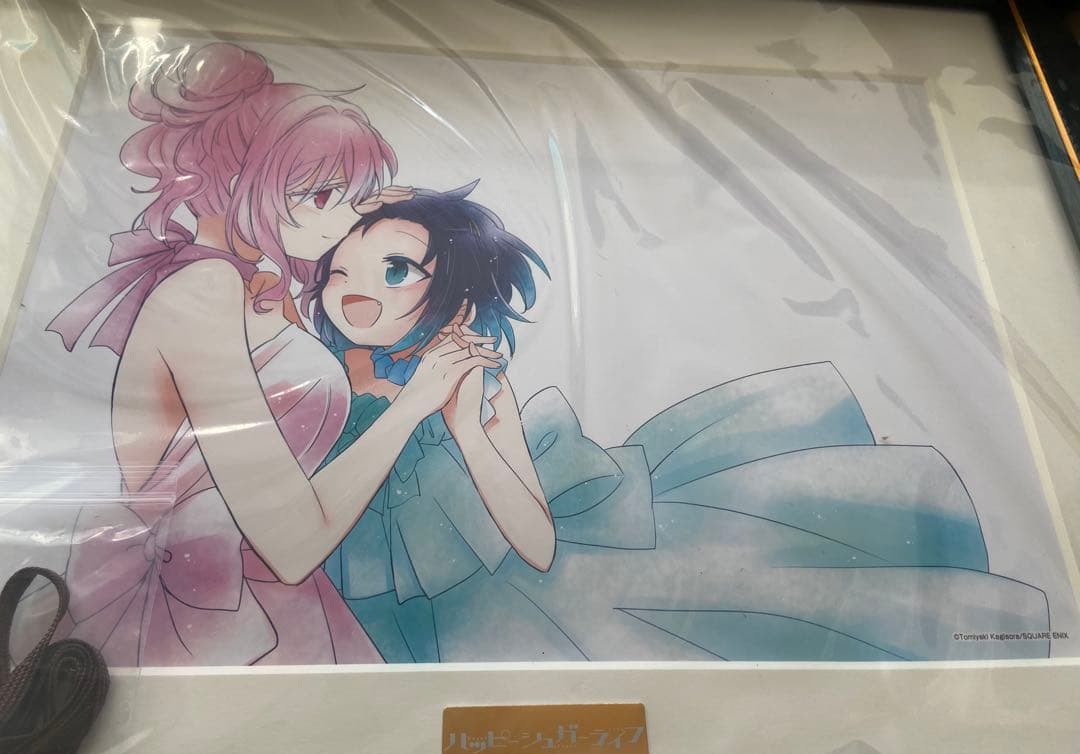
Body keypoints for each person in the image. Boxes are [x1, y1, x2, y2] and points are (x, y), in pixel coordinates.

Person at [313, 183, 1052, 663]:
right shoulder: (312, 376)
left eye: (397, 271)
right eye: (339, 271)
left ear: (464, 299)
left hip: (490, 611)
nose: (354, 293)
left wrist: (466, 429)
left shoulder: (475, 387)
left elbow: (536, 546)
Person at [46, 44, 501, 666]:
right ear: (243, 183)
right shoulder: (204, 290)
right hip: (203, 604)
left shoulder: (247, 283)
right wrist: (415, 403)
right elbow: (292, 542)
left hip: (253, 580)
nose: (344, 222)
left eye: (354, 198)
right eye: (323, 196)